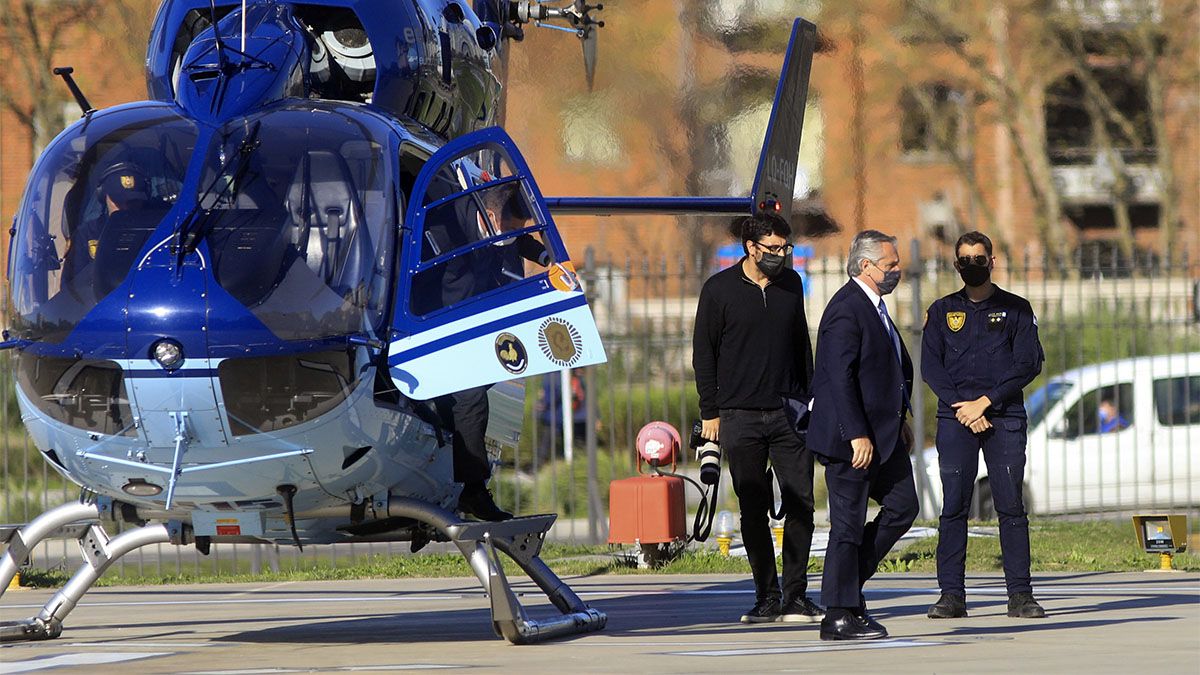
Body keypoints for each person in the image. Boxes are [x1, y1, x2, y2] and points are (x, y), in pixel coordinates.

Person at [693, 212, 822, 625]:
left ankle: (796, 596)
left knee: (802, 502)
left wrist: (811, 398)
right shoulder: (718, 291)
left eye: (786, 249)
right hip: (739, 415)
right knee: (753, 508)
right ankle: (766, 595)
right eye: (773, 249)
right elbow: (704, 355)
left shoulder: (791, 285)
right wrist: (710, 412)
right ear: (751, 248)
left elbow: (802, 344)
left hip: (789, 413)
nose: (780, 256)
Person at [922, 231, 1046, 620]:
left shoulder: (1017, 309)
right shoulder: (941, 311)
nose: (972, 265)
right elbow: (931, 368)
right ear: (956, 265)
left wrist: (985, 403)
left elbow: (1028, 364)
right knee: (954, 506)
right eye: (965, 260)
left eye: (980, 258)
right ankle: (951, 596)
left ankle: (1020, 596)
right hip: (956, 419)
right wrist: (965, 410)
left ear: (992, 261)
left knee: (1010, 506)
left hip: (1003, 417)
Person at [808, 230, 919, 641]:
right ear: (865, 266)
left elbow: (883, 371)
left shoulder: (875, 307)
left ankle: (849, 587)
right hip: (851, 441)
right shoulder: (847, 309)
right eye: (890, 265)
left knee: (904, 507)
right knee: (848, 526)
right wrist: (856, 433)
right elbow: (838, 377)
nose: (897, 271)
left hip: (884, 435)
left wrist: (899, 419)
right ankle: (838, 614)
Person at [431, 180, 549, 521]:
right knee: (469, 400)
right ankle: (473, 491)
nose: (514, 236)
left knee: (476, 397)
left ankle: (467, 481)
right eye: (510, 228)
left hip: (473, 329)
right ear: (492, 216)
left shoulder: (498, 227)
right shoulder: (449, 229)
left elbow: (520, 239)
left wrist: (545, 256)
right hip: (441, 328)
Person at [536, 370, 588, 464]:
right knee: (569, 442)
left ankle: (539, 464)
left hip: (556, 415)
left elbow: (552, 393)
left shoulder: (553, 374)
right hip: (566, 415)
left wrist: (543, 402)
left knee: (549, 443)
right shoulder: (567, 372)